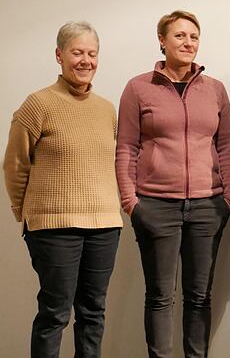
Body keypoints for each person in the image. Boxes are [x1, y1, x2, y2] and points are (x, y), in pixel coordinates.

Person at [115, 10, 230, 358]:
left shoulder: (214, 89)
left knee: (199, 297)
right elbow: (126, 146)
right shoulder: (139, 88)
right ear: (162, 41)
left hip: (207, 205)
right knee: (159, 296)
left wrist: (229, 196)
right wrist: (131, 201)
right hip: (155, 205)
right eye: (180, 36)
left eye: (194, 37)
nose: (188, 43)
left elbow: (225, 145)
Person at [3, 21, 123, 357]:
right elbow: (14, 166)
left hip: (104, 226)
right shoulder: (37, 104)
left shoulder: (106, 109)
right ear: (59, 56)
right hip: (53, 228)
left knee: (93, 312)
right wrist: (24, 214)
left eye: (92, 53)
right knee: (55, 313)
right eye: (77, 52)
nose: (85, 60)